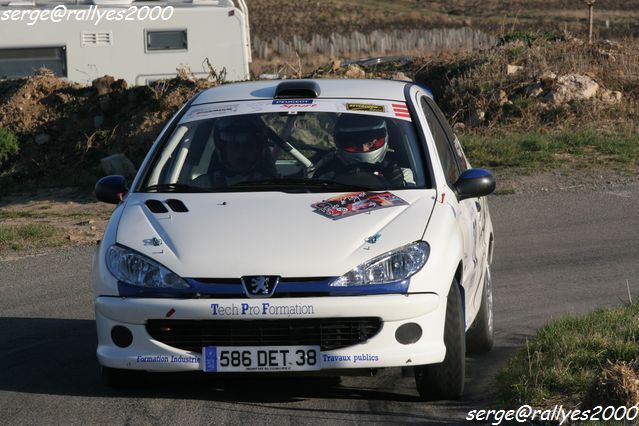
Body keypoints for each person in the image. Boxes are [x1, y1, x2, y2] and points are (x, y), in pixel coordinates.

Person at [313, 114, 414, 187]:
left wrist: (399, 184)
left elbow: (414, 200)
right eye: (354, 145)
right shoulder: (327, 173)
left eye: (370, 144)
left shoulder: (400, 173)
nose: (364, 149)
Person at [195, 116, 277, 187]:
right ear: (223, 149)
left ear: (258, 149)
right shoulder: (200, 186)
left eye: (248, 145)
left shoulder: (276, 186)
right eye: (235, 145)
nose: (242, 151)